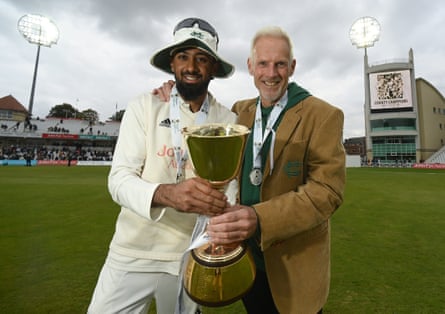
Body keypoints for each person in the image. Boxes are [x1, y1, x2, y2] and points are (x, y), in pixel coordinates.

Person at [87, 17, 237, 314]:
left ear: (214, 68)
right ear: (172, 64)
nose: (191, 67)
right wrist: (169, 194)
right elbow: (118, 180)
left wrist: (223, 221)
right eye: (183, 57)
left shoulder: (228, 122)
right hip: (133, 249)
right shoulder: (145, 105)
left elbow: (230, 191)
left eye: (201, 59)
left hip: (192, 253)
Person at [205, 26, 346, 313]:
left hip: (295, 268)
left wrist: (259, 217)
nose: (271, 73)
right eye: (263, 63)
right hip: (247, 262)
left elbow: (328, 192)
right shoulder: (239, 112)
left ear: (292, 67)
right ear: (250, 67)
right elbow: (199, 111)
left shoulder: (323, 114)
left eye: (280, 63)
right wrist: (171, 92)